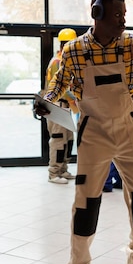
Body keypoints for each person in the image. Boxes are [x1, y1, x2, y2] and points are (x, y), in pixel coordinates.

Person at [35, 0, 133, 264]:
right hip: (94, 133)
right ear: (97, 15)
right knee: (86, 202)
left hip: (129, 130)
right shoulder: (74, 51)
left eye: (124, 15)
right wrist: (45, 101)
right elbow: (56, 87)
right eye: (118, 15)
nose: (123, 20)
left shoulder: (132, 44)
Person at [43, 28, 79, 184]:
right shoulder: (57, 62)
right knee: (58, 139)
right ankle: (54, 172)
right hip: (56, 105)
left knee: (68, 138)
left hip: (65, 106)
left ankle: (63, 169)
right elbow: (61, 88)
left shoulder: (65, 61)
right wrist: (76, 100)